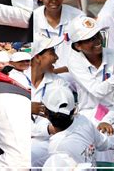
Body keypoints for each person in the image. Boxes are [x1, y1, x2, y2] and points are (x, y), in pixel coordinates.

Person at [68, 17, 114, 162]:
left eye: (97, 35)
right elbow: (97, 91)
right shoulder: (74, 61)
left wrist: (107, 120)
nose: (97, 40)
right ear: (78, 46)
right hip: (87, 118)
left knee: (103, 143)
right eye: (90, 39)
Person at [44, 85, 114, 166]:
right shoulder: (83, 120)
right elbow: (105, 144)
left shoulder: (55, 147)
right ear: (74, 110)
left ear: (45, 113)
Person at [33, 0, 84, 77]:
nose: (54, 0)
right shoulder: (33, 18)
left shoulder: (78, 17)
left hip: (72, 73)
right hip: (42, 72)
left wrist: (57, 72)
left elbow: (84, 54)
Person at [30, 34, 69, 167]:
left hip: (49, 141)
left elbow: (60, 124)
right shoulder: (16, 80)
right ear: (37, 57)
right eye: (52, 53)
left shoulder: (59, 84)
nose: (57, 58)